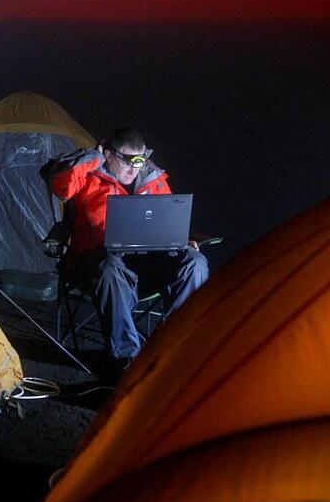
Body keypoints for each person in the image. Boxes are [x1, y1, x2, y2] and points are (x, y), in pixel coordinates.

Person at [44, 127, 208, 369]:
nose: (134, 168)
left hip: (146, 264)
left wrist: (181, 240)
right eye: (127, 161)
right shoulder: (88, 177)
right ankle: (126, 359)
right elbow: (58, 183)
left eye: (140, 161)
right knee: (109, 266)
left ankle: (175, 347)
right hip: (97, 265)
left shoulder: (154, 179)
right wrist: (94, 157)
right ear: (108, 154)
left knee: (194, 262)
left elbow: (169, 221)